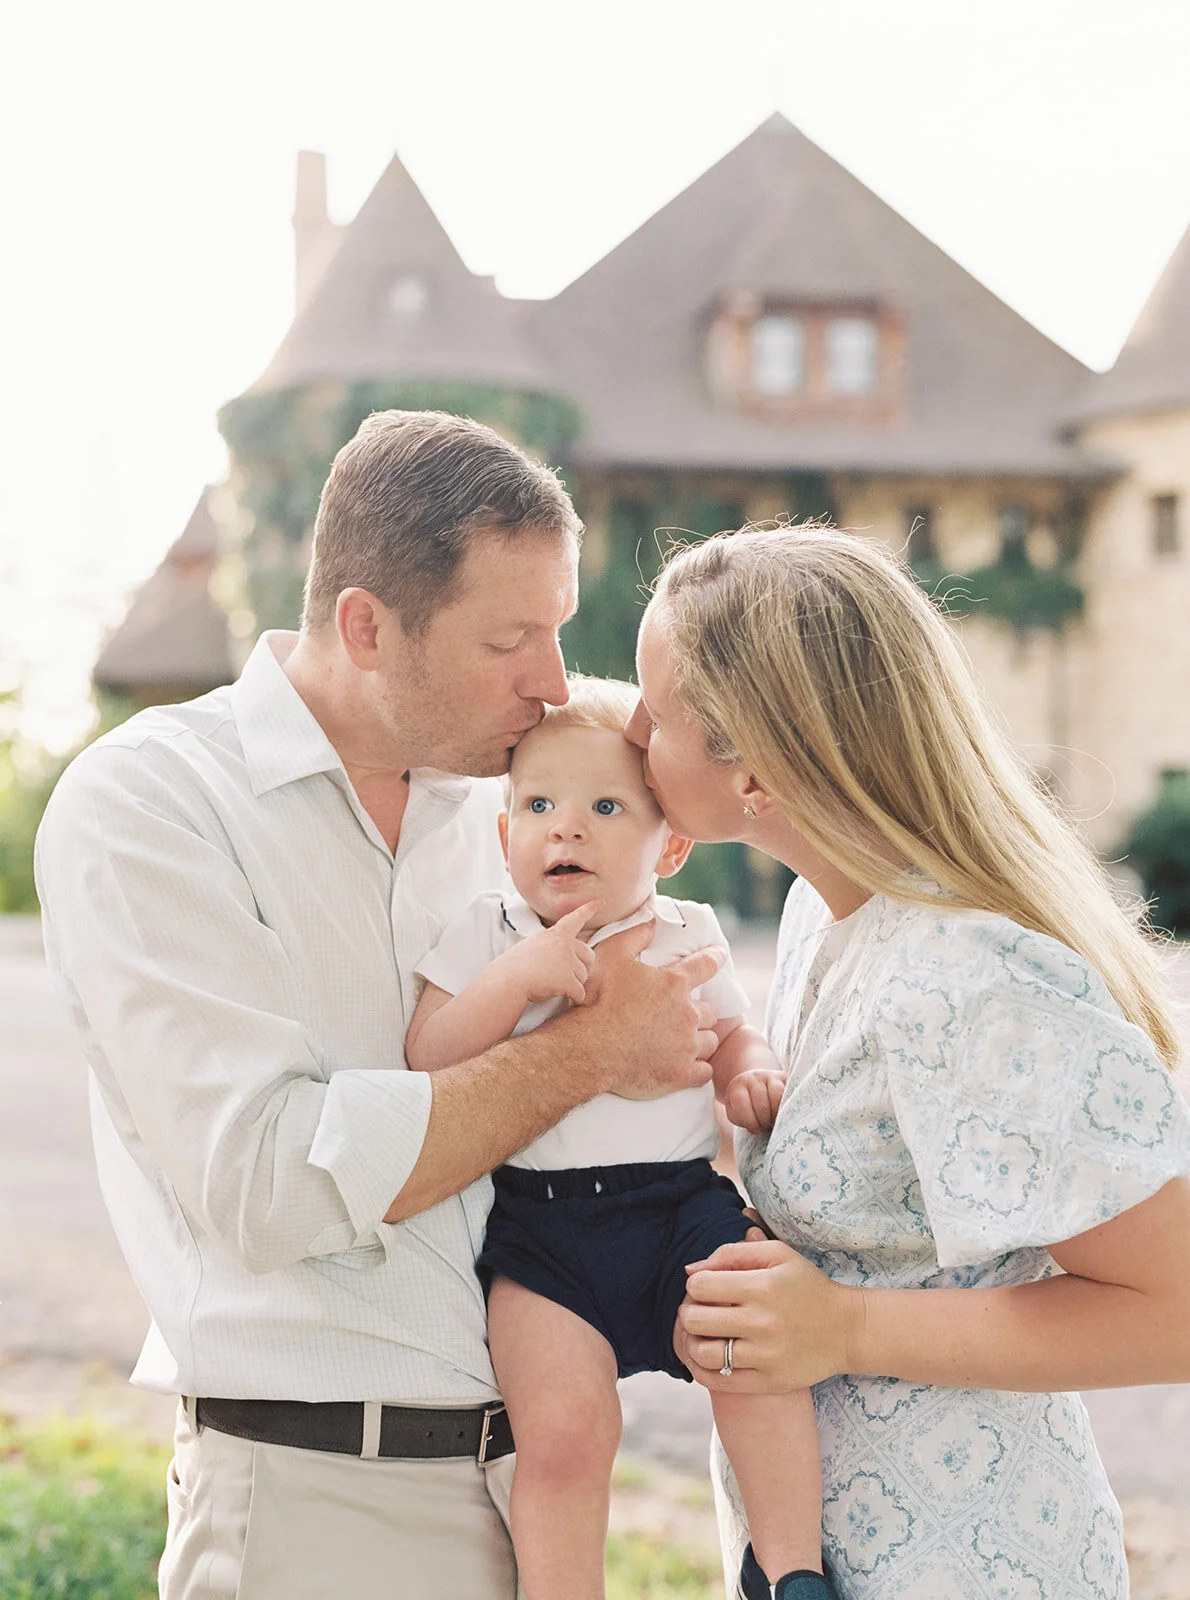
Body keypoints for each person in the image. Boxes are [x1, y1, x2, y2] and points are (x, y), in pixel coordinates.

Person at [33, 410, 727, 1600]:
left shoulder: (520, 805)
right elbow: (273, 1180)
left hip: (538, 1500)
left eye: (556, 631)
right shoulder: (149, 806)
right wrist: (591, 1050)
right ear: (364, 625)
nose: (554, 681)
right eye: (510, 638)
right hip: (316, 1511)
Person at [624, 524, 1190, 1600]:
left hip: (974, 1564)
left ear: (751, 767)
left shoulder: (968, 977)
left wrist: (845, 1327)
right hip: (838, 1559)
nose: (628, 728)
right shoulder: (815, 919)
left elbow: (1176, 1307)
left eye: (655, 713)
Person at [406, 675, 834, 1600]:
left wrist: (746, 1072)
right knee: (560, 1433)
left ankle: (792, 1566)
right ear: (504, 831)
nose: (566, 828)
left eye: (605, 806)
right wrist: (519, 980)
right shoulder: (489, 933)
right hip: (545, 1235)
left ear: (670, 843)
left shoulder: (686, 930)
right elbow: (427, 1056)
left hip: (678, 1205)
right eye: (539, 805)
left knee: (752, 1346)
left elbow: (730, 1031)